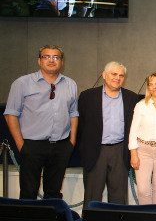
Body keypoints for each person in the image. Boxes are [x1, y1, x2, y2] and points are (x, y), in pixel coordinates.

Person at [4, 45, 78, 199]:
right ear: (39, 61)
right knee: (29, 192)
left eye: (56, 57)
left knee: (53, 193)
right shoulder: (22, 83)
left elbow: (73, 114)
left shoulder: (71, 84)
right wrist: (21, 145)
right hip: (32, 145)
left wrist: (71, 142)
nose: (52, 60)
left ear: (62, 62)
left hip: (61, 145)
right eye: (47, 57)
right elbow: (11, 114)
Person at [78, 61, 138, 209]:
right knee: (93, 195)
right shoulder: (87, 96)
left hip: (120, 151)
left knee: (119, 197)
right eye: (114, 74)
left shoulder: (131, 97)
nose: (117, 78)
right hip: (95, 151)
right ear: (104, 75)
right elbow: (81, 124)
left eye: (121, 75)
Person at [128, 72, 156, 205]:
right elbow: (133, 131)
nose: (154, 87)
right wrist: (133, 154)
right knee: (142, 190)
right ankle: (145, 220)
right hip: (143, 151)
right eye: (150, 84)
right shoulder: (141, 105)